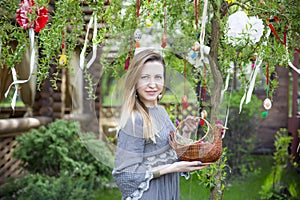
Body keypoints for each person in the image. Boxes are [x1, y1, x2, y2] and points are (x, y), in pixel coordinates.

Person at [112, 49, 210, 200]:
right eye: (144, 77)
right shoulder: (135, 119)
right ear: (135, 81)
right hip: (149, 194)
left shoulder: (160, 111)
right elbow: (125, 174)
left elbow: (170, 153)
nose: (152, 84)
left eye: (158, 77)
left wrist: (185, 132)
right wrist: (173, 168)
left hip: (168, 191)